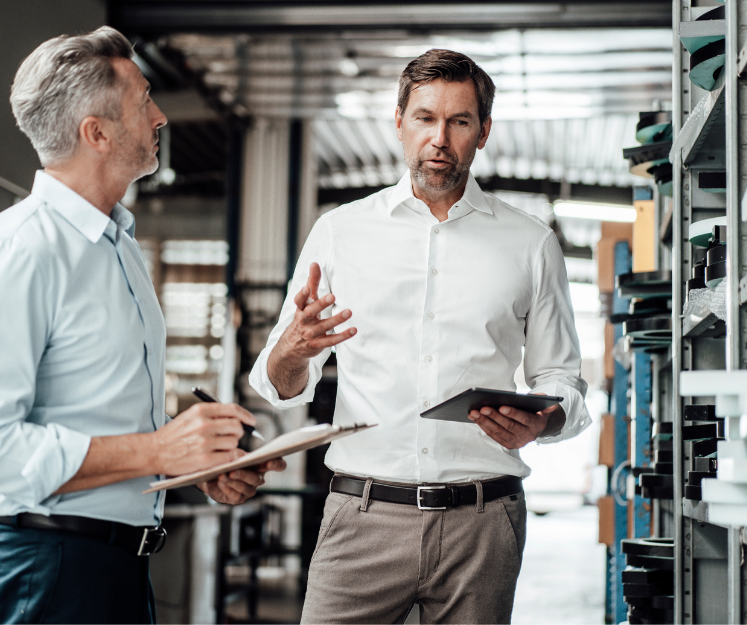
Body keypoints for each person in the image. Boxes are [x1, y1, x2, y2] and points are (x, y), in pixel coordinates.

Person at [0, 26, 284, 625]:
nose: (160, 116)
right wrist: (158, 449)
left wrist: (191, 462)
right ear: (96, 133)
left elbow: (101, 421)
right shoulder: (16, 250)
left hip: (118, 569)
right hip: (43, 573)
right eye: (143, 100)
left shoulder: (120, 248)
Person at [250, 48, 591, 624]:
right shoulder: (339, 233)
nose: (440, 139)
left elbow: (561, 378)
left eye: (459, 122)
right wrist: (292, 349)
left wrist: (545, 419)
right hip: (362, 519)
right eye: (425, 118)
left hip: (483, 523)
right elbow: (279, 385)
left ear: (483, 132)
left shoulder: (531, 244)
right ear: (399, 124)